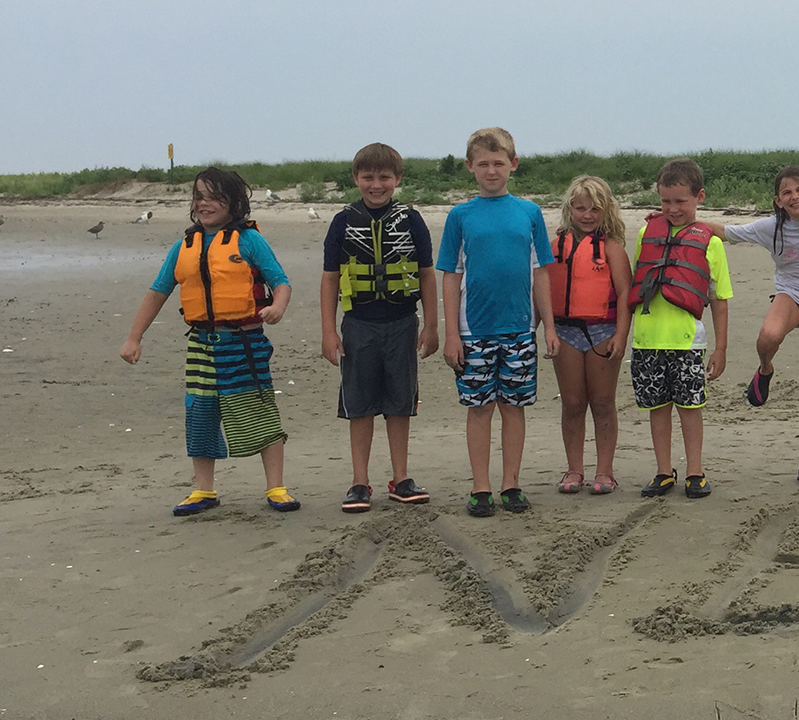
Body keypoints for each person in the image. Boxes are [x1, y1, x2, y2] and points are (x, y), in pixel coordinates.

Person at [120, 168, 296, 516]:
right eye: (199, 196)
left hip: (244, 342)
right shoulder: (185, 245)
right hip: (202, 344)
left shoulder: (249, 240)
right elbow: (158, 291)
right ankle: (204, 490)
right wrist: (133, 337)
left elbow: (280, 280)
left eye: (214, 196)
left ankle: (276, 487)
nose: (205, 203)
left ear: (233, 202)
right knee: (199, 413)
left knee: (258, 410)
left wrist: (277, 307)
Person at [438, 127, 561, 517]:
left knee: (513, 406)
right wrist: (451, 335)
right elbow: (451, 275)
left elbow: (541, 272)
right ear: (470, 167)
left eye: (499, 163)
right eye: (484, 164)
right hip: (474, 331)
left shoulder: (529, 212)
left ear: (513, 164)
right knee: (479, 408)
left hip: (521, 330)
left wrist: (550, 328)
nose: (492, 171)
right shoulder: (460, 216)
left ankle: (511, 483)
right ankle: (481, 487)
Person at [321, 143, 438, 512]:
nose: (376, 184)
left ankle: (401, 477)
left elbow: (426, 275)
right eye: (368, 177)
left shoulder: (412, 220)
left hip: (402, 323)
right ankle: (359, 481)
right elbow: (329, 279)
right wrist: (328, 330)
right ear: (356, 179)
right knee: (359, 406)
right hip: (358, 325)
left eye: (384, 177)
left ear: (397, 179)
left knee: (400, 404)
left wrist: (432, 325)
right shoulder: (342, 221)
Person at [712, 166, 799, 487]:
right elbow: (723, 231)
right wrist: (670, 219)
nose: (795, 196)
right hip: (791, 295)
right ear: (778, 201)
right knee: (767, 337)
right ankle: (766, 369)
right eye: (787, 193)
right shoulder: (770, 227)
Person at [631, 159, 731, 500]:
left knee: (690, 408)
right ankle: (663, 471)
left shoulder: (712, 243)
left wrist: (721, 348)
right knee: (657, 409)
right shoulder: (647, 233)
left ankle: (695, 471)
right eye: (665, 202)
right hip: (647, 340)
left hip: (688, 342)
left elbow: (719, 299)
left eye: (680, 202)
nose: (672, 209)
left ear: (699, 197)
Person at [547, 176, 633, 496]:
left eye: (594, 209)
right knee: (572, 403)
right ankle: (574, 469)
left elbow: (626, 294)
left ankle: (605, 471)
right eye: (580, 208)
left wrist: (621, 336)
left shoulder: (612, 248)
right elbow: (540, 289)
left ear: (605, 210)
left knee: (602, 402)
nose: (586, 215)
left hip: (603, 332)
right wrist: (548, 329)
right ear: (569, 209)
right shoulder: (554, 246)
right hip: (566, 332)